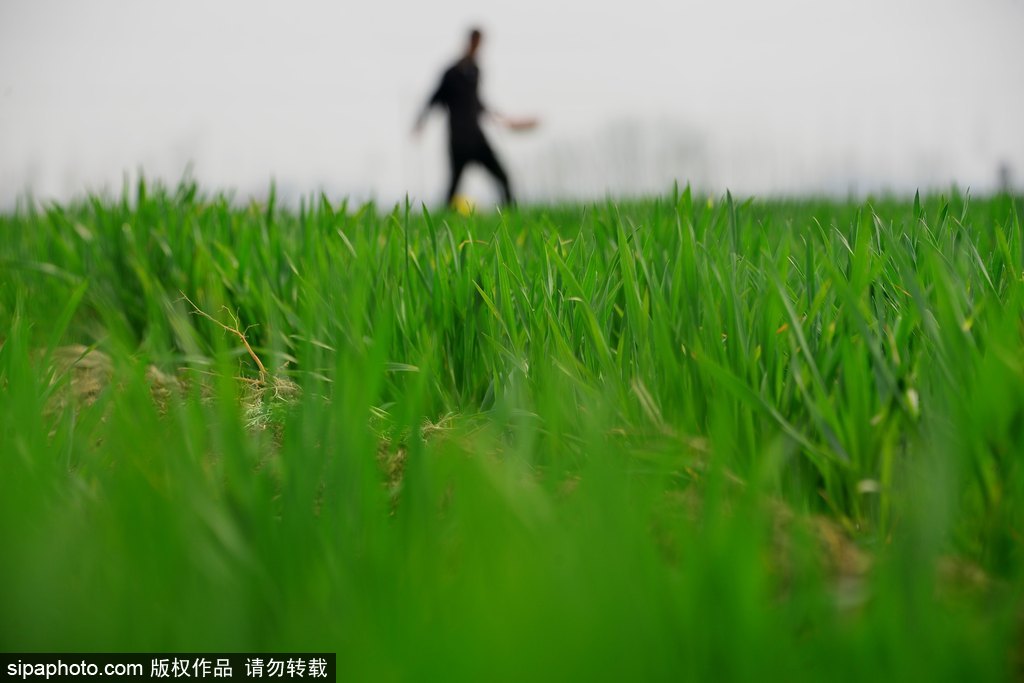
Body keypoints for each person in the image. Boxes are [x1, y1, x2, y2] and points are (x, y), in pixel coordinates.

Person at [414, 28, 516, 208]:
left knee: (503, 177)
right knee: (453, 186)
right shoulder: (452, 72)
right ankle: (443, 222)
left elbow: (475, 101)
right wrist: (421, 122)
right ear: (469, 42)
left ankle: (511, 214)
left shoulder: (476, 71)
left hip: (476, 137)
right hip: (459, 139)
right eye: (475, 42)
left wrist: (494, 114)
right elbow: (435, 98)